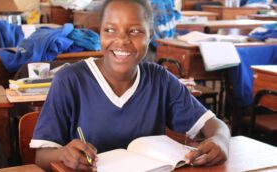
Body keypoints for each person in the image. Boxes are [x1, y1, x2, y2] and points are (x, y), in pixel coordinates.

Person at [30, 0, 230, 171]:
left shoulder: (160, 79)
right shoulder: (70, 80)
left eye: (134, 31)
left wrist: (220, 140)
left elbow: (214, 124)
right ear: (99, 33)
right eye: (110, 30)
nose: (122, 40)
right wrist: (64, 154)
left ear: (150, 35)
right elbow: (41, 157)